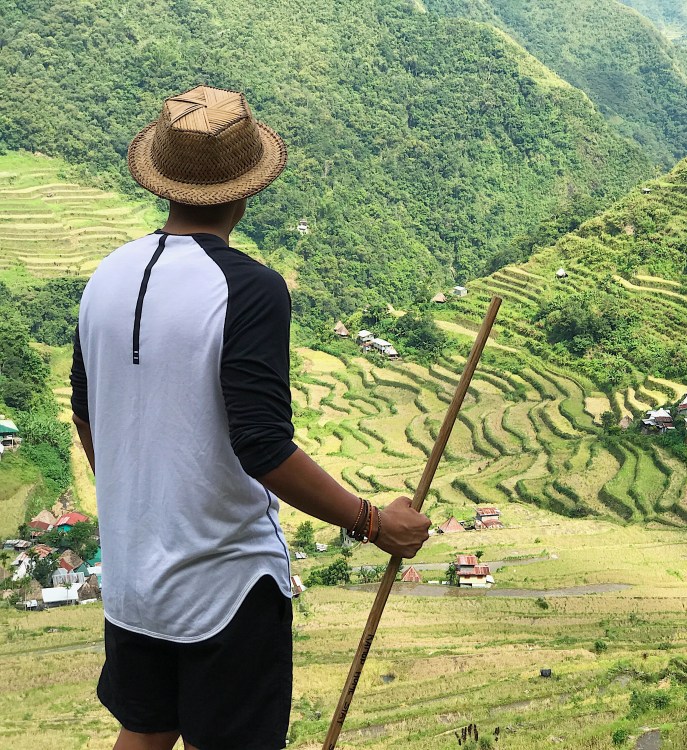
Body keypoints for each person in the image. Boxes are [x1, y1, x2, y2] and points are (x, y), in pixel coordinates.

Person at [70, 85, 431, 750]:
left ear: (164, 181)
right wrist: (375, 523)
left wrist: (140, 508)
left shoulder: (105, 278)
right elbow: (262, 445)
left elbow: (86, 415)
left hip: (132, 582)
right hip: (225, 588)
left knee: (145, 733)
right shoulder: (250, 289)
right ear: (248, 188)